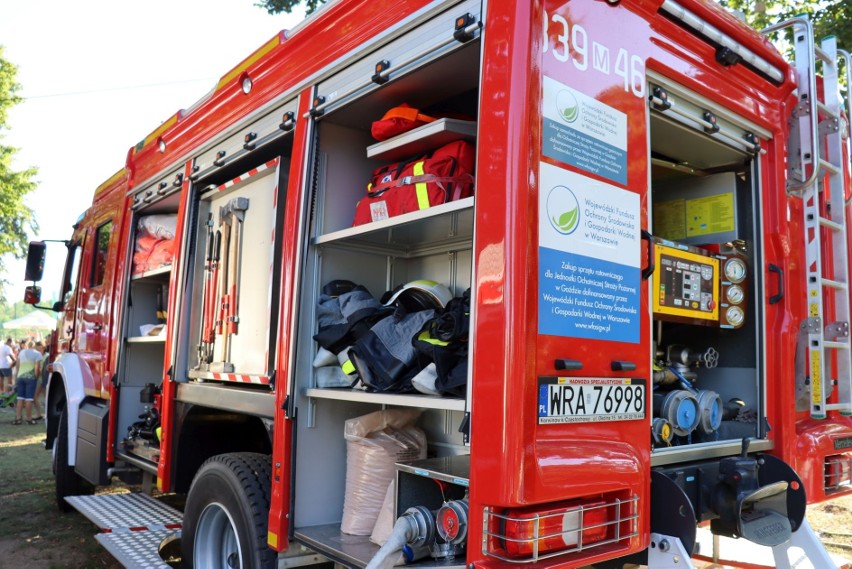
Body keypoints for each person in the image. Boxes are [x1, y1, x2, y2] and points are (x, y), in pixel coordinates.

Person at [13, 340, 42, 425]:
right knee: (29, 399)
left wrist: (18, 375)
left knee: (20, 398)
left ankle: (18, 418)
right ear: (34, 346)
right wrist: (36, 377)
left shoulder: (21, 352)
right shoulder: (37, 354)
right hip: (30, 378)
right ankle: (29, 418)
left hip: (20, 377)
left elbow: (17, 364)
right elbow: (37, 368)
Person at [32, 340, 47, 421]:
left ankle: (40, 414)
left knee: (37, 397)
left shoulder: (46, 356)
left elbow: (43, 370)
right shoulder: (38, 356)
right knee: (40, 397)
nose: (36, 351)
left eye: (37, 349)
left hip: (42, 379)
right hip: (39, 379)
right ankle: (40, 414)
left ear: (42, 348)